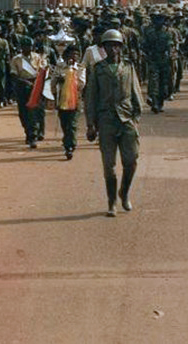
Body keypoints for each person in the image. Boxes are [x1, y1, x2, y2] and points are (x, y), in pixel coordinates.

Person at [85, 29, 144, 217]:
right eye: (109, 45)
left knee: (131, 160)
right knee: (109, 165)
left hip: (126, 119)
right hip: (106, 121)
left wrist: (136, 117)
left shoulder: (128, 67)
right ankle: (111, 203)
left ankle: (124, 193)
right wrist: (90, 124)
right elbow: (91, 98)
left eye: (116, 45)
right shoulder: (98, 69)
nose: (113, 49)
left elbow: (136, 93)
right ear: (103, 48)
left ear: (121, 47)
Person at [10, 36, 47, 148]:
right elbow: (13, 75)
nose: (28, 48)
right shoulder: (16, 59)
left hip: (36, 85)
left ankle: (33, 134)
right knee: (23, 111)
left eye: (30, 46)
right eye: (25, 46)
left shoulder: (38, 57)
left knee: (36, 110)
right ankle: (28, 131)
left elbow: (43, 71)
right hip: (22, 86)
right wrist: (25, 82)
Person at [51, 44, 86, 160]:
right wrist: (54, 93)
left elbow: (81, 84)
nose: (74, 56)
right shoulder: (60, 67)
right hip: (62, 99)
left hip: (75, 99)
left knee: (72, 124)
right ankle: (67, 139)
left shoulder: (80, 68)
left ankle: (69, 146)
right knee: (65, 123)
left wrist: (70, 77)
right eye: (72, 54)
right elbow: (53, 82)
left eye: (76, 54)